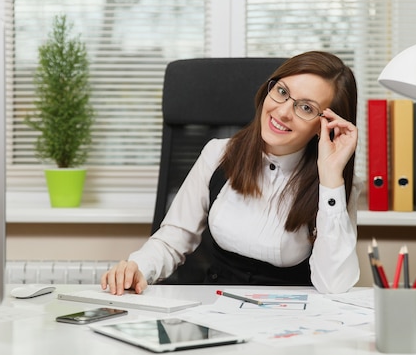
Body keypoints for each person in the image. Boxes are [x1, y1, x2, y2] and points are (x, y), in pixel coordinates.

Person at [102, 51, 360, 295]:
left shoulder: (333, 185)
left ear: (325, 126)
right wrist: (137, 267)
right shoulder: (218, 154)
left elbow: (333, 285)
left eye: (305, 108)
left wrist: (330, 178)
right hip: (215, 315)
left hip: (288, 325)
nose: (282, 112)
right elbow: (173, 239)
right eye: (281, 92)